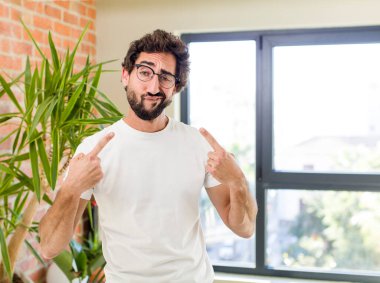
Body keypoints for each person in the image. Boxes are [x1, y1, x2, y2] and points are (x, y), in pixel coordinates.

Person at [39, 29, 258, 283]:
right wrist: (70, 189)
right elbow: (48, 247)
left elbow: (245, 228)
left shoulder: (198, 144)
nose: (153, 86)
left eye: (165, 77)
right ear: (125, 75)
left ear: (175, 86)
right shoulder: (93, 149)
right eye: (145, 72)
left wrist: (238, 181)